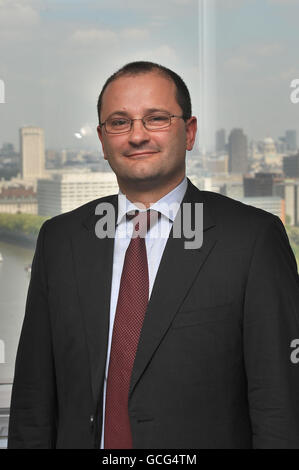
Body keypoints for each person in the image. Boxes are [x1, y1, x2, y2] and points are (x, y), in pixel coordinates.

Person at [8, 61, 299, 449]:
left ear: (189, 132)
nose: (137, 136)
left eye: (156, 118)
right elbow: (32, 401)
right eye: (119, 122)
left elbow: (279, 408)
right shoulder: (60, 241)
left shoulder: (253, 239)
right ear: (102, 140)